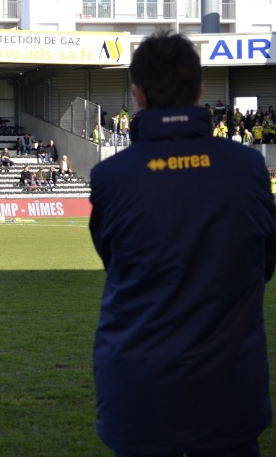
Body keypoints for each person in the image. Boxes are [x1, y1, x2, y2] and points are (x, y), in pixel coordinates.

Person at [89, 32, 276, 457]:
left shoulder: (111, 177)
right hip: (228, 385)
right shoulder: (247, 165)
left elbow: (114, 260)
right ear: (199, 91)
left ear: (137, 94)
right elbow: (264, 260)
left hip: (139, 387)